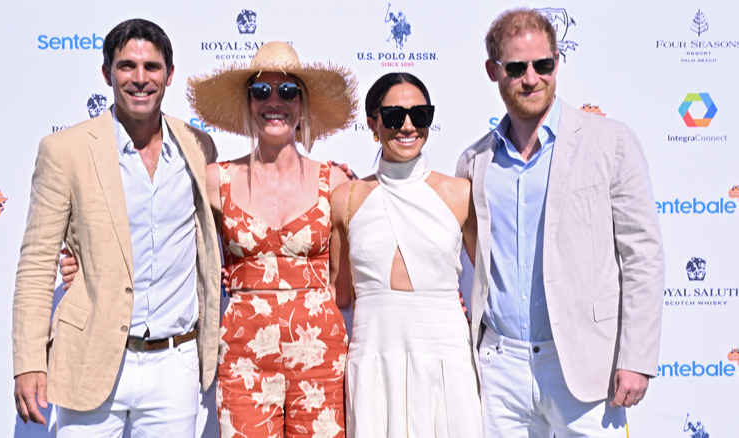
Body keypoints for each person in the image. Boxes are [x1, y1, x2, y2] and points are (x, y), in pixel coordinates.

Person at [456, 8, 665, 437]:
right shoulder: (473, 161)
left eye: (543, 65)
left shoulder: (611, 143)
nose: (531, 78)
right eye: (516, 68)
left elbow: (642, 254)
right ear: (493, 71)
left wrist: (637, 358)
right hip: (499, 371)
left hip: (587, 368)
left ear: (556, 62)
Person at [11, 19, 222, 436]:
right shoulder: (64, 150)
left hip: (174, 363)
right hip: (91, 357)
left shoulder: (198, 147)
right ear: (107, 73)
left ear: (170, 75)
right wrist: (30, 361)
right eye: (127, 66)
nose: (140, 79)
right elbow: (36, 262)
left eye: (152, 67)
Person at [187, 41, 355, 437]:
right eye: (261, 92)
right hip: (244, 352)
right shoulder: (216, 181)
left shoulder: (334, 181)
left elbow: (345, 281)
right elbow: (164, 233)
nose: (274, 101)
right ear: (248, 103)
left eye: (288, 91)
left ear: (303, 104)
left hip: (321, 352)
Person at [330, 72, 483, 437]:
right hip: (374, 355)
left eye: (421, 115)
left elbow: (496, 278)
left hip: (446, 356)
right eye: (395, 116)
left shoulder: (460, 194)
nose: (409, 126)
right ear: (373, 124)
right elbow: (338, 295)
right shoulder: (346, 199)